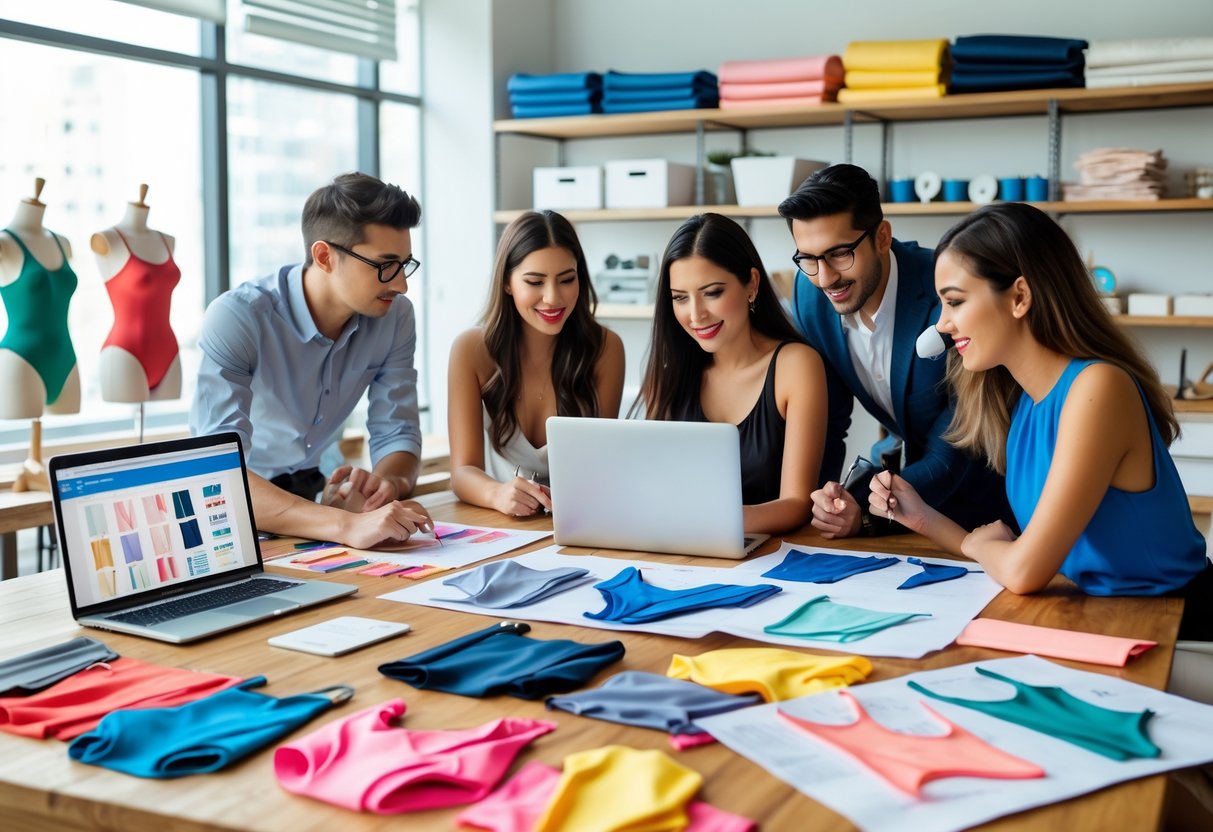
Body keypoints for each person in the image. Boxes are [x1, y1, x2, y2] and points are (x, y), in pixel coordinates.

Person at [869, 202, 1210, 640]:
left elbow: (1025, 569)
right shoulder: (1025, 400)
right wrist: (922, 519)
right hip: (1103, 618)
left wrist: (986, 546)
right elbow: (1013, 556)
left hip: (1178, 630)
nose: (944, 324)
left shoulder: (1098, 389)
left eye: (954, 302)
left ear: (1019, 297)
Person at [190, 172, 433, 549]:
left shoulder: (395, 316)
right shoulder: (239, 317)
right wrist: (346, 526)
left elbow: (397, 431)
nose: (401, 284)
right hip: (237, 519)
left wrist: (386, 486)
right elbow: (217, 470)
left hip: (323, 505)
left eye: (405, 264)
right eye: (386, 266)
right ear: (324, 257)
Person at [777, 163, 1011, 539]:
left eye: (839, 254)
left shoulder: (949, 296)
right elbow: (829, 420)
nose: (825, 278)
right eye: (808, 259)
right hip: (901, 508)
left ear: (882, 237)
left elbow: (957, 445)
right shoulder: (810, 297)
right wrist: (827, 504)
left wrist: (866, 510)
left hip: (992, 511)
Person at [632, 212, 826, 535]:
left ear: (751, 283)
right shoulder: (669, 371)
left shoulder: (795, 365)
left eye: (712, 293)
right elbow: (655, 485)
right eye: (680, 298)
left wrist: (716, 520)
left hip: (767, 554)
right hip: (679, 548)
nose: (696, 315)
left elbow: (797, 504)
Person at [447, 210, 625, 517]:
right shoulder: (471, 351)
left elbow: (602, 466)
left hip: (577, 521)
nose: (553, 297)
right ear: (507, 283)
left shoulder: (605, 349)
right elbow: (463, 472)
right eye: (535, 281)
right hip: (501, 522)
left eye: (567, 279)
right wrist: (497, 494)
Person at [91, 184, 182, 403]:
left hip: (168, 351)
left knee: (165, 434)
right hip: (125, 351)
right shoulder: (108, 240)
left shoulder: (167, 241)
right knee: (131, 434)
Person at [0, 177, 80, 419]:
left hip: (66, 359)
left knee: (63, 446)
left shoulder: (62, 243)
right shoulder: (4, 245)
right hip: (20, 360)